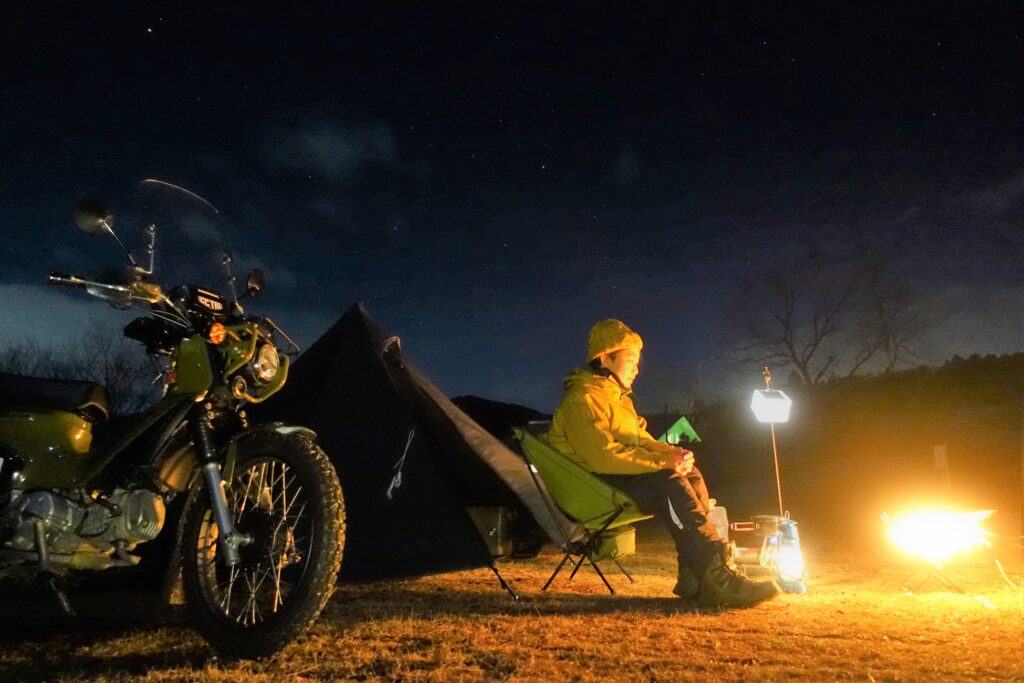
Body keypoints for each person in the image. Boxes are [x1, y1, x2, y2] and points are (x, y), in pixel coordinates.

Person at [545, 319, 780, 607]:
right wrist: (662, 463)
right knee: (667, 481)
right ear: (604, 358)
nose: (636, 369)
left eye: (637, 362)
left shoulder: (617, 400)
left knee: (691, 474)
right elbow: (602, 456)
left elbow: (641, 440)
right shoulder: (581, 399)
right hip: (592, 488)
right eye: (630, 360)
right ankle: (716, 574)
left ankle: (693, 575)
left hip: (614, 479)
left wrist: (674, 454)